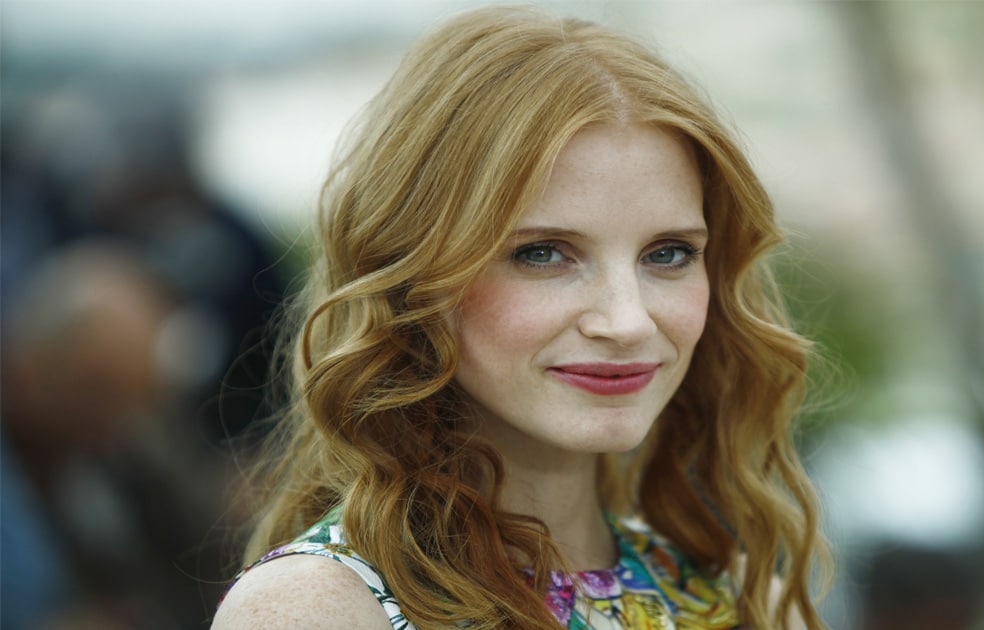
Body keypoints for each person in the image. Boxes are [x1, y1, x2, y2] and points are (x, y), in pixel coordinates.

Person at [213, 6, 827, 629]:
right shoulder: (321, 610)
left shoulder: (753, 604)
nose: (628, 321)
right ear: (415, 274)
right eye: (542, 254)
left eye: (668, 254)